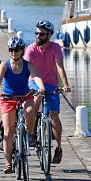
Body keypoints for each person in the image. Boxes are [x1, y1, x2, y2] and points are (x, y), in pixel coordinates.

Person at [0, 37, 45, 174]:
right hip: (8, 98)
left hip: (24, 95)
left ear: (22, 50)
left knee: (30, 110)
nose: (13, 52)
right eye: (11, 50)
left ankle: (28, 135)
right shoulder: (5, 65)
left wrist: (41, 87)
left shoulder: (28, 65)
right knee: (9, 131)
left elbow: (37, 77)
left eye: (16, 50)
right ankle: (8, 163)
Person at [25, 20, 71, 164]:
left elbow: (60, 67)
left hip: (51, 84)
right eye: (37, 33)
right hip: (34, 82)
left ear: (49, 35)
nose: (38, 36)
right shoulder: (31, 49)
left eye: (42, 34)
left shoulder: (55, 48)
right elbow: (25, 68)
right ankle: (31, 134)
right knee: (37, 97)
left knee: (54, 116)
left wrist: (66, 84)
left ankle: (58, 148)